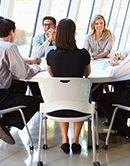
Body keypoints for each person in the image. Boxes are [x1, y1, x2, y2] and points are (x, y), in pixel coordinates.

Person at [0, 18, 42, 150]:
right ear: (12, 32)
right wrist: (36, 68)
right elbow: (24, 74)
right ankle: (4, 123)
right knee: (38, 102)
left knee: (20, 87)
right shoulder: (10, 47)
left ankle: (4, 125)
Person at [46, 18, 91, 154]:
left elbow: (52, 75)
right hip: (80, 108)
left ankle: (65, 140)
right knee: (79, 97)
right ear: (73, 34)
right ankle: (75, 140)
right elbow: (87, 74)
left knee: (63, 95)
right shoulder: (83, 54)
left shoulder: (51, 55)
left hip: (57, 107)